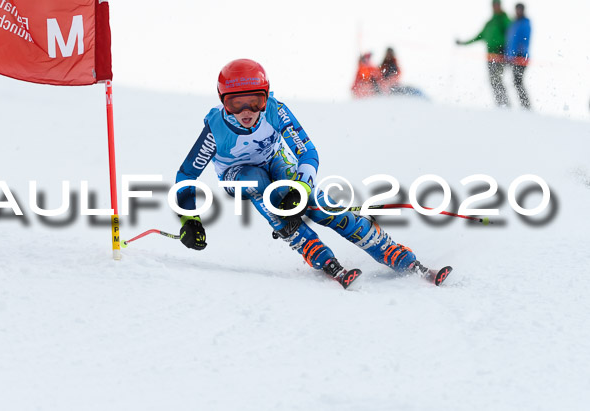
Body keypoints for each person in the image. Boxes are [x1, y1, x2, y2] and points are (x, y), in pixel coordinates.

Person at [175, 58, 451, 288]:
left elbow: (307, 153)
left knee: (318, 206)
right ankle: (315, 252)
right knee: (261, 186)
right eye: (236, 104)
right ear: (223, 101)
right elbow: (186, 176)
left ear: (266, 96)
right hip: (238, 174)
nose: (247, 111)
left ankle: (394, 253)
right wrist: (189, 219)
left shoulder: (275, 110)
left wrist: (301, 191)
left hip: (274, 161)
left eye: (255, 101)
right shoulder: (215, 129)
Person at [456, 0, 511, 107]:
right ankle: (500, 103)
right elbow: (478, 37)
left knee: (497, 79)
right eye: (494, 5)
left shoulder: (504, 19)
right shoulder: (489, 23)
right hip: (490, 57)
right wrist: (462, 43)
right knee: (493, 80)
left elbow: (512, 35)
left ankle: (505, 104)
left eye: (497, 4)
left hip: (500, 55)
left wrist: (509, 52)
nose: (496, 7)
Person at [505, 3, 532, 109]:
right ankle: (523, 105)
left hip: (521, 57)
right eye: (517, 9)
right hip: (512, 57)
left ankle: (526, 105)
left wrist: (519, 53)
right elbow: (511, 40)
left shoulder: (525, 23)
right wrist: (509, 55)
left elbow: (525, 40)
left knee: (517, 81)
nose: (518, 11)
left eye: (520, 9)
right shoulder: (514, 23)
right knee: (516, 81)